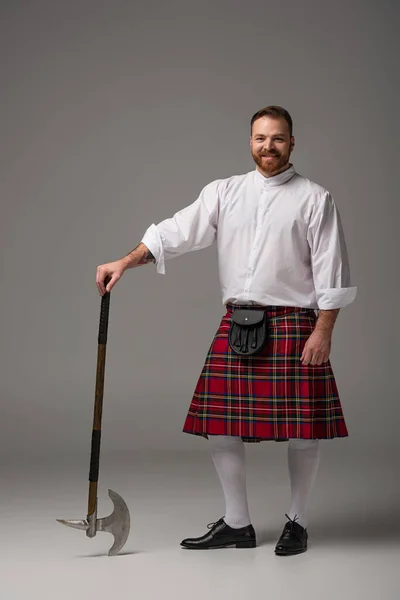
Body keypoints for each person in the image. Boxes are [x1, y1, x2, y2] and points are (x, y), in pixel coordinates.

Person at [96, 105, 357, 555]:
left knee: (304, 429)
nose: (268, 146)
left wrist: (324, 329)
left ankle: (298, 521)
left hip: (296, 322)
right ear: (249, 141)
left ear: (292, 143)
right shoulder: (225, 192)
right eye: (260, 138)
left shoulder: (316, 198)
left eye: (277, 138)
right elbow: (176, 232)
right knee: (219, 425)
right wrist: (124, 261)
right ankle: (237, 523)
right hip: (238, 321)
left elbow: (332, 270)